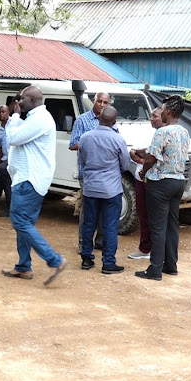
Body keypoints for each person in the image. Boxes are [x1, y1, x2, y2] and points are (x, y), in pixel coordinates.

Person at [0, 86, 67, 286]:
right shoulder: (34, 118)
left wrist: (13, 117)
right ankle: (23, 267)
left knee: (19, 221)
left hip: (29, 179)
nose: (18, 103)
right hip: (27, 178)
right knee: (25, 224)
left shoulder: (40, 119)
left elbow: (12, 138)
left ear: (31, 99)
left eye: (21, 99)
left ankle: (55, 260)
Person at [136, 96, 190, 281]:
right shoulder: (184, 132)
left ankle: (155, 270)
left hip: (160, 183)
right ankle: (170, 265)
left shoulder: (162, 132)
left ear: (168, 112)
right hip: (178, 182)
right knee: (172, 226)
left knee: (158, 227)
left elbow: (151, 157)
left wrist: (144, 171)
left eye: (163, 109)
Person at [77, 106, 129, 275]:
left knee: (88, 223)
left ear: (98, 117)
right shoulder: (118, 139)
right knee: (110, 226)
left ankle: (86, 258)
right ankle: (108, 263)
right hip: (111, 189)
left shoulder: (85, 138)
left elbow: (82, 161)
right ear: (114, 121)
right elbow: (125, 165)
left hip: (91, 188)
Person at [70, 92, 112, 251]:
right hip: (87, 172)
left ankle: (100, 241)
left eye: (105, 102)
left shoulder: (111, 122)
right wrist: (93, 144)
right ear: (94, 102)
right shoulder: (82, 120)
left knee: (104, 208)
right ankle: (83, 244)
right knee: (88, 210)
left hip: (106, 173)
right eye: (99, 101)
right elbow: (73, 144)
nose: (102, 105)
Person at [127, 107, 164, 260]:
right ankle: (145, 249)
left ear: (164, 117)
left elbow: (152, 154)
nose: (151, 119)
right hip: (140, 179)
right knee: (142, 214)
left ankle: (155, 251)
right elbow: (134, 152)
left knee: (155, 216)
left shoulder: (165, 134)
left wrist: (144, 156)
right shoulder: (147, 133)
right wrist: (143, 159)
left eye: (154, 116)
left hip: (154, 180)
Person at [0, 104, 12, 217]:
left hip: (15, 158)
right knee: (8, 184)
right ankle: (9, 209)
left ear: (8, 112)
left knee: (2, 172)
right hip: (6, 159)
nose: (1, 114)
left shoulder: (15, 123)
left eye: (3, 112)